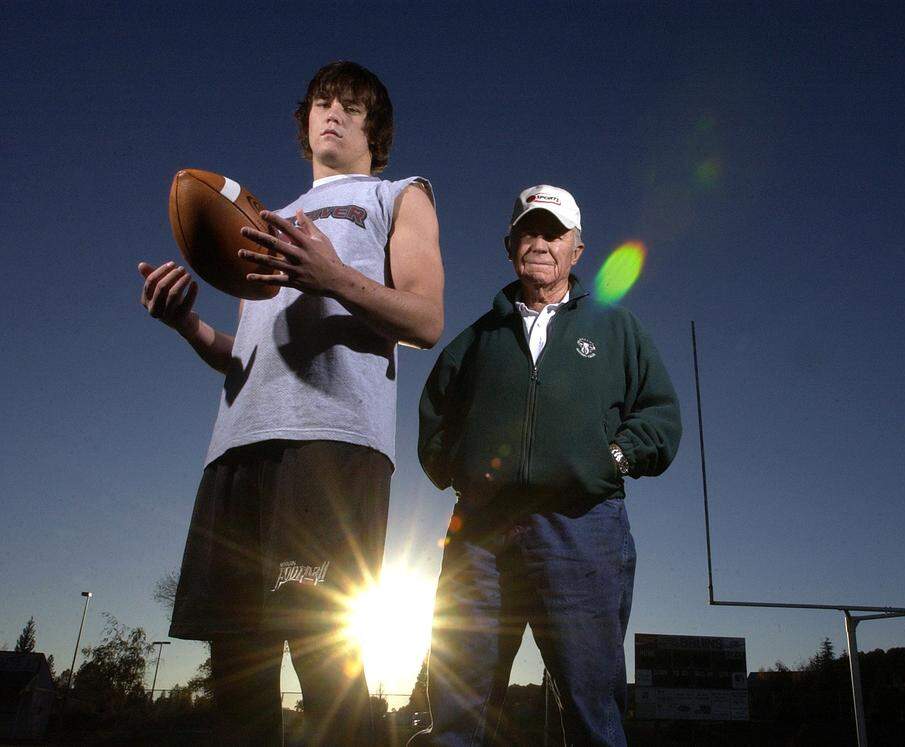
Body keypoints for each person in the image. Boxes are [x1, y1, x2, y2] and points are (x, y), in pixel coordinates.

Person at [138, 61, 444, 745]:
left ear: (376, 130)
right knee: (234, 674)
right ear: (305, 122)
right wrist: (186, 324)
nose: (334, 112)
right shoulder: (265, 220)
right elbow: (242, 355)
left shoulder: (399, 194)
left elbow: (426, 318)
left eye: (354, 107)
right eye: (323, 103)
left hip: (331, 447)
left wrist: (332, 275)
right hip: (237, 448)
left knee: (325, 665)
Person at [414, 185, 681, 746]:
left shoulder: (617, 330)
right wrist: (459, 471)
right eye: (529, 231)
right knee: (460, 708)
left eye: (554, 233)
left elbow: (659, 416)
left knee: (591, 708)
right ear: (509, 244)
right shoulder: (474, 341)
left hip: (582, 527)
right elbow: (435, 419)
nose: (541, 243)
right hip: (481, 536)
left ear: (577, 249)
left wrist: (615, 456)